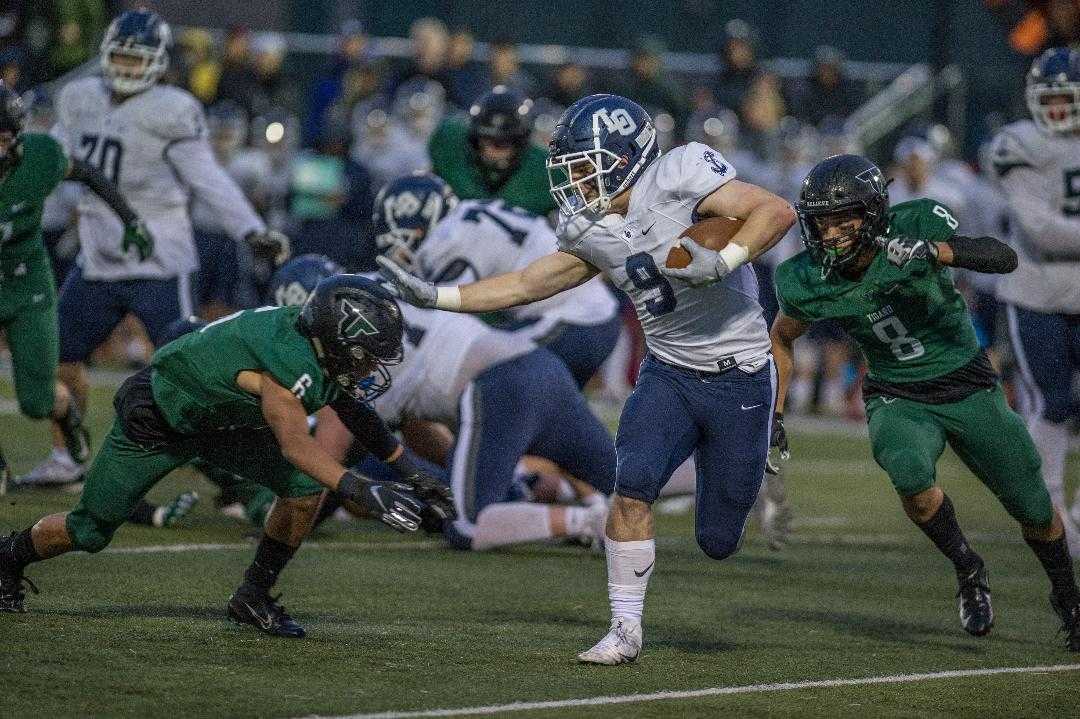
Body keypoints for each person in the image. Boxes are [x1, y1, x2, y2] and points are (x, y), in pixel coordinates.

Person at [379, 94, 795, 663]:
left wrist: (723, 260)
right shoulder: (589, 224)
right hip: (668, 370)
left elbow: (775, 210)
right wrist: (439, 297)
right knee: (632, 484)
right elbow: (528, 283)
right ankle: (625, 630)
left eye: (581, 162)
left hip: (740, 373)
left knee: (717, 540)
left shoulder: (681, 172)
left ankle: (754, 459)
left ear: (623, 157)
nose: (571, 178)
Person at [0, 275, 455, 639]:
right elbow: (295, 445)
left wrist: (410, 470)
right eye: (366, 354)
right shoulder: (287, 359)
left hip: (221, 423)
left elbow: (353, 409)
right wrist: (359, 486)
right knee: (89, 530)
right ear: (339, 340)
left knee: (304, 490)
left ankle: (254, 594)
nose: (371, 366)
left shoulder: (316, 343)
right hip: (160, 418)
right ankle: (9, 557)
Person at [771, 153, 1080, 652]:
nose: (829, 234)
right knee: (912, 480)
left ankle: (1070, 601)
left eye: (842, 219)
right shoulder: (804, 279)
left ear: (873, 212)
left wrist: (934, 251)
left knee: (1034, 509)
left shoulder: (915, 222)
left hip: (968, 383)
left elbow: (1003, 258)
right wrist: (777, 409)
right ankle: (967, 567)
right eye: (821, 222)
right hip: (897, 392)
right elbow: (781, 338)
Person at [20, 10, 290, 486]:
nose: (124, 65)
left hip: (159, 260)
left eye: (134, 57)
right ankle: (66, 456)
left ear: (157, 62)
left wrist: (250, 230)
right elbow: (55, 161)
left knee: (192, 373)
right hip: (99, 257)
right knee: (58, 358)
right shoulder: (79, 97)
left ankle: (238, 480)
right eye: (119, 54)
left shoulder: (173, 108)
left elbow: (207, 179)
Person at [0, 80, 152, 488]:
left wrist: (129, 219)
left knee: (37, 401)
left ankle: (70, 424)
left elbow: (89, 174)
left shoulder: (40, 158)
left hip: (26, 285)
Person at [374, 173, 620, 387]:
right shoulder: (468, 213)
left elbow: (443, 323)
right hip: (588, 316)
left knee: (486, 377)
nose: (399, 254)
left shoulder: (447, 239)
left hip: (575, 320)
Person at [989, 48, 1080, 553]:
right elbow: (1041, 231)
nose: (1058, 111)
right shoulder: (1020, 143)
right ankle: (1047, 512)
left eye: (1066, 98)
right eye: (1050, 99)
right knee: (1053, 401)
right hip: (1037, 293)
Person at [428, 86, 555, 216]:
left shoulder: (547, 172)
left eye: (501, 143)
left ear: (519, 142)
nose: (490, 149)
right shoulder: (451, 145)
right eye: (485, 139)